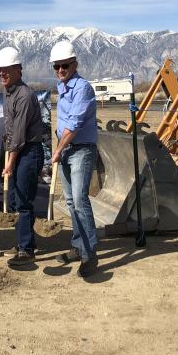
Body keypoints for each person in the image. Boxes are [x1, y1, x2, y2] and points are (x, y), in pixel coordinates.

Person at [49, 41, 99, 277]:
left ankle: (90, 254)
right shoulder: (62, 88)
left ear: (74, 64)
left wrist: (58, 149)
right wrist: (60, 148)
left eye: (64, 65)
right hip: (66, 150)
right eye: (56, 67)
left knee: (80, 201)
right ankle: (78, 246)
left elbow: (74, 124)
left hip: (80, 150)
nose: (60, 70)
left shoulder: (83, 89)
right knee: (70, 202)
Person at [0, 46, 45, 267]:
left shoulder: (24, 95)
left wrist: (10, 162)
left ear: (18, 70)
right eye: (0, 70)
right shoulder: (8, 92)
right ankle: (25, 242)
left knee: (23, 201)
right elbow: (11, 130)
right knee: (15, 200)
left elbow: (20, 134)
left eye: (7, 69)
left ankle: (26, 250)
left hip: (28, 151)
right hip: (17, 150)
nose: (2, 74)